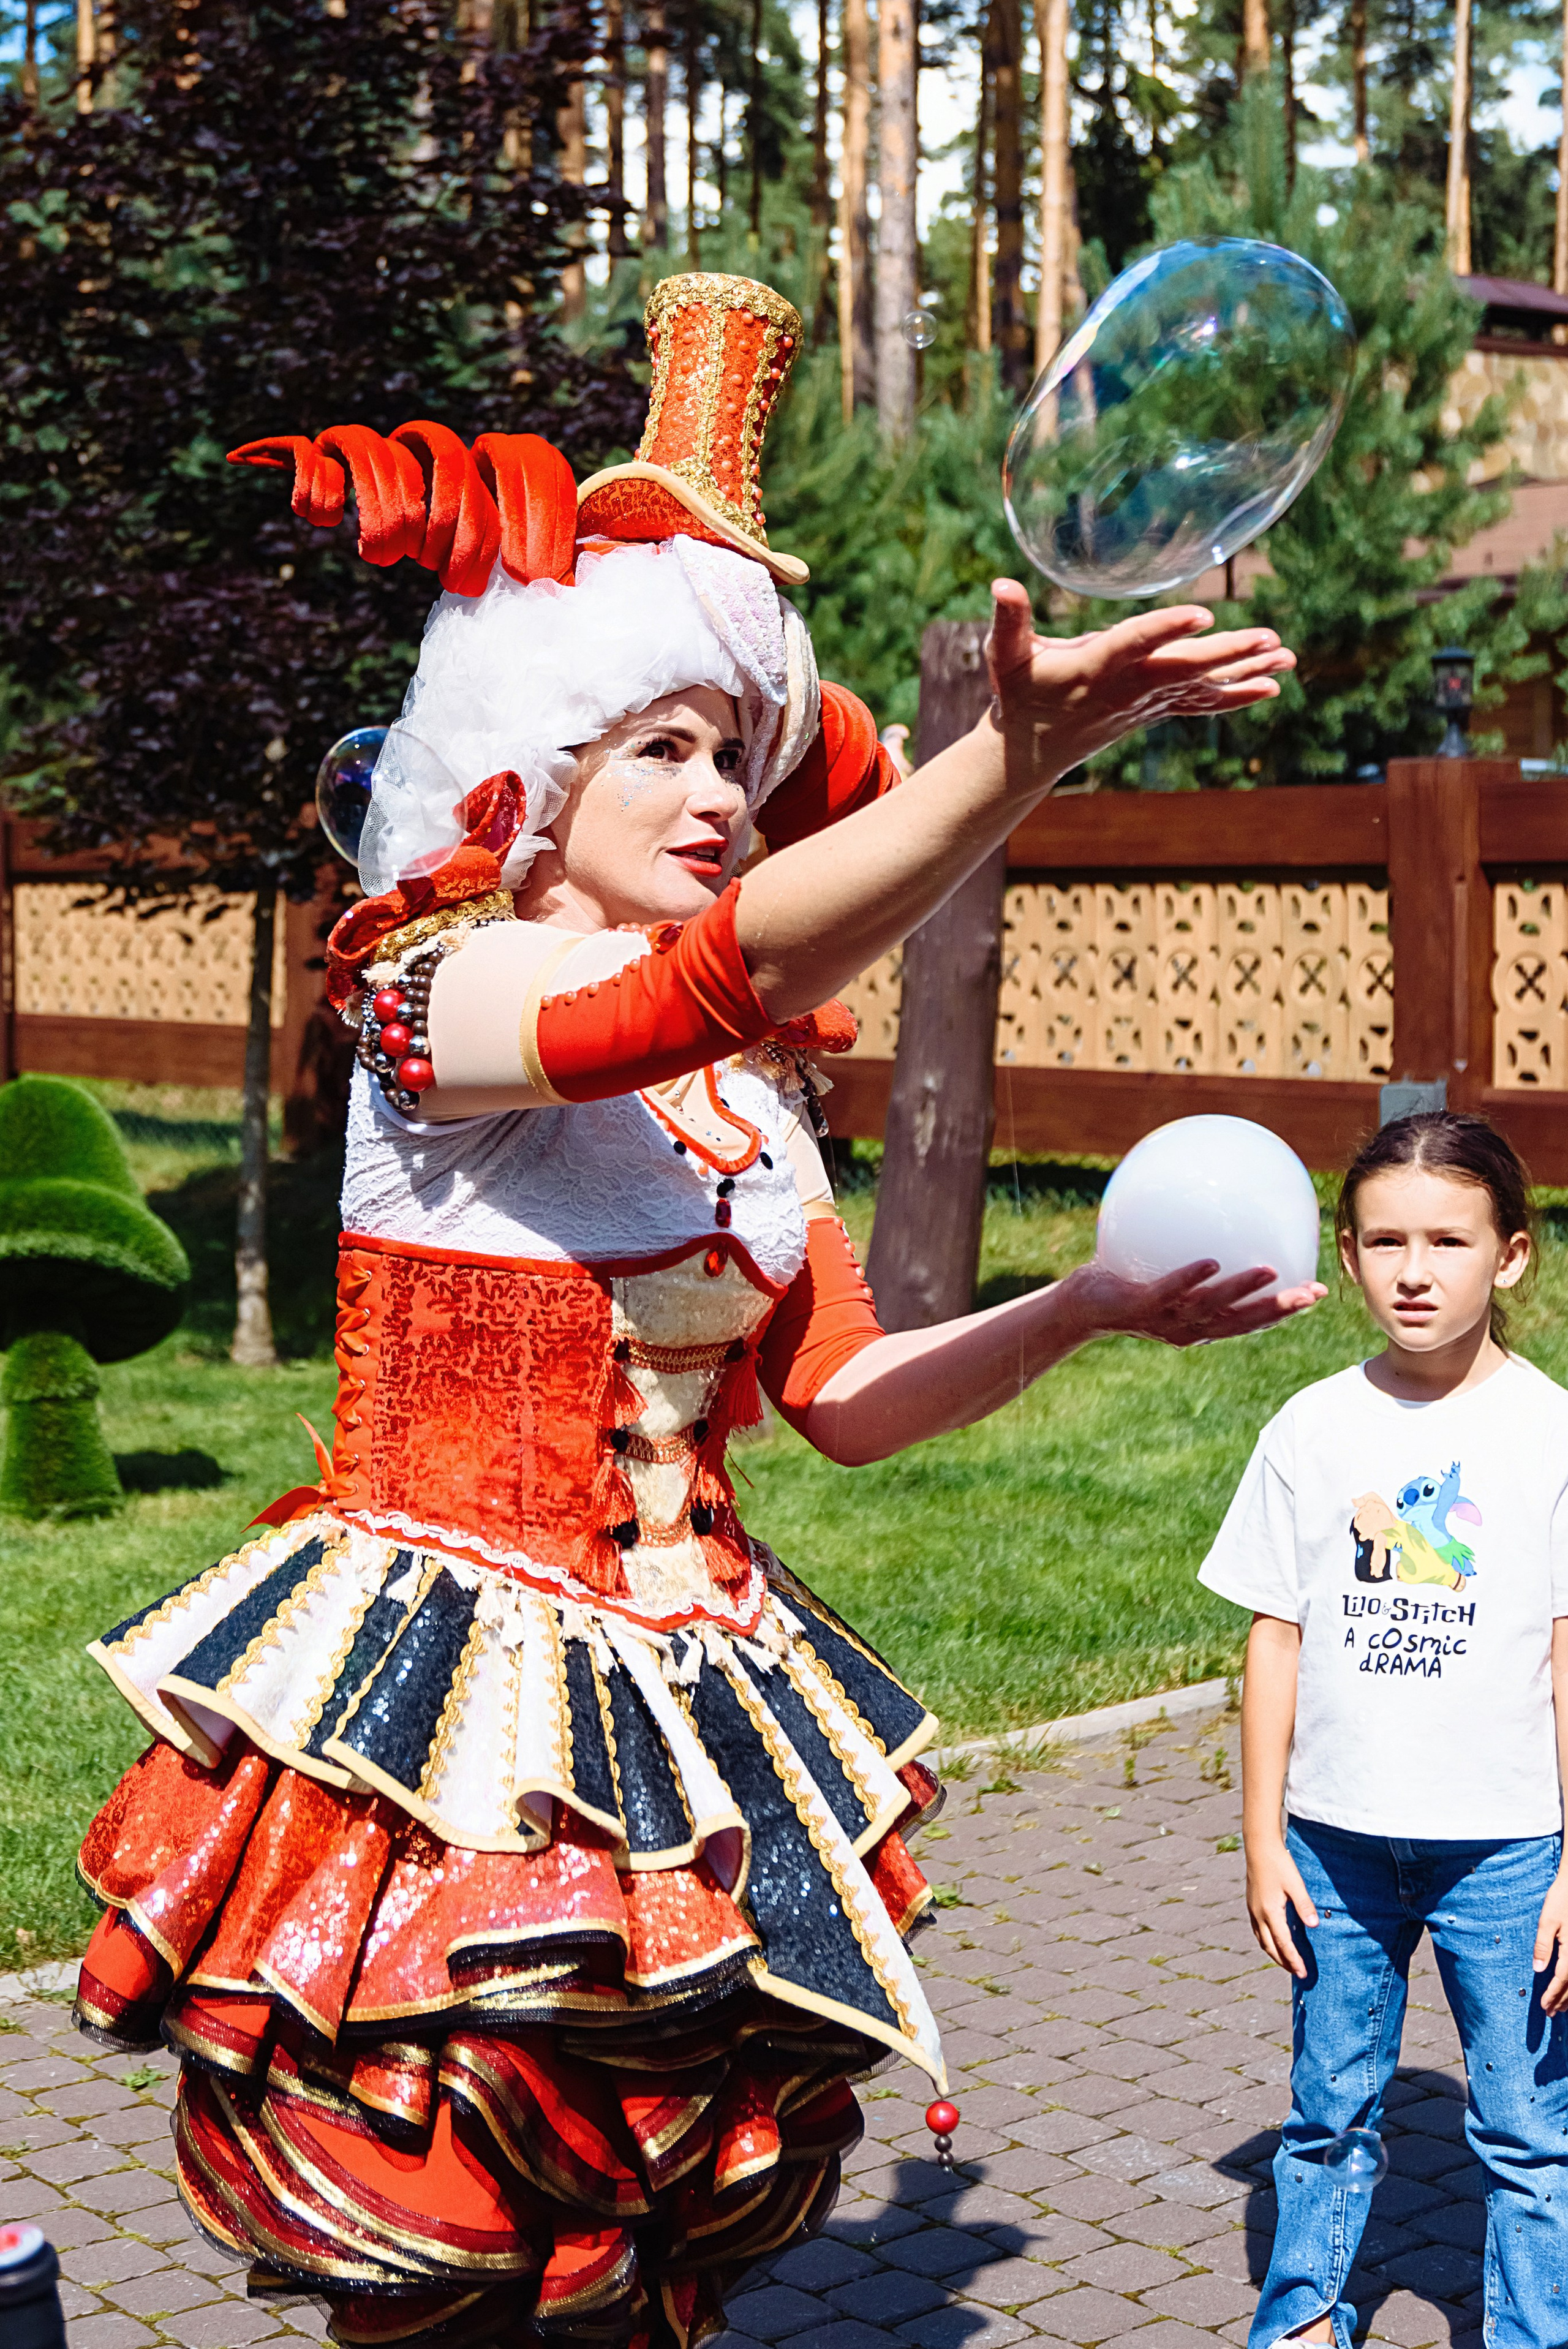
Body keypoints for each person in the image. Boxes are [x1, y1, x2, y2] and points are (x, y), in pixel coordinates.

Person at [71, 271, 1313, 2349]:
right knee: (456, 2227)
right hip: (435, 1718)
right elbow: (695, 978)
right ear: (531, 774)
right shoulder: (431, 995)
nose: (722, 785)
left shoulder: (747, 1109)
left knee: (663, 2240)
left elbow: (838, 1390)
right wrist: (999, 766)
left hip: (685, 1698)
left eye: (740, 744)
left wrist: (1082, 1300)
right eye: (663, 742)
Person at [1201, 1109, 1568, 2349]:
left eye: (1447, 1240)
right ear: (1347, 1257)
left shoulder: (1549, 1433)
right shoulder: (1309, 1428)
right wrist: (1260, 1837)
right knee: (1326, 2108)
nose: (1415, 1269)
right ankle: (1301, 2319)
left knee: (1525, 2131)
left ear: (1507, 1256)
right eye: (1384, 1240)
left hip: (1509, 1848)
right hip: (1334, 1847)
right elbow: (1272, 1638)